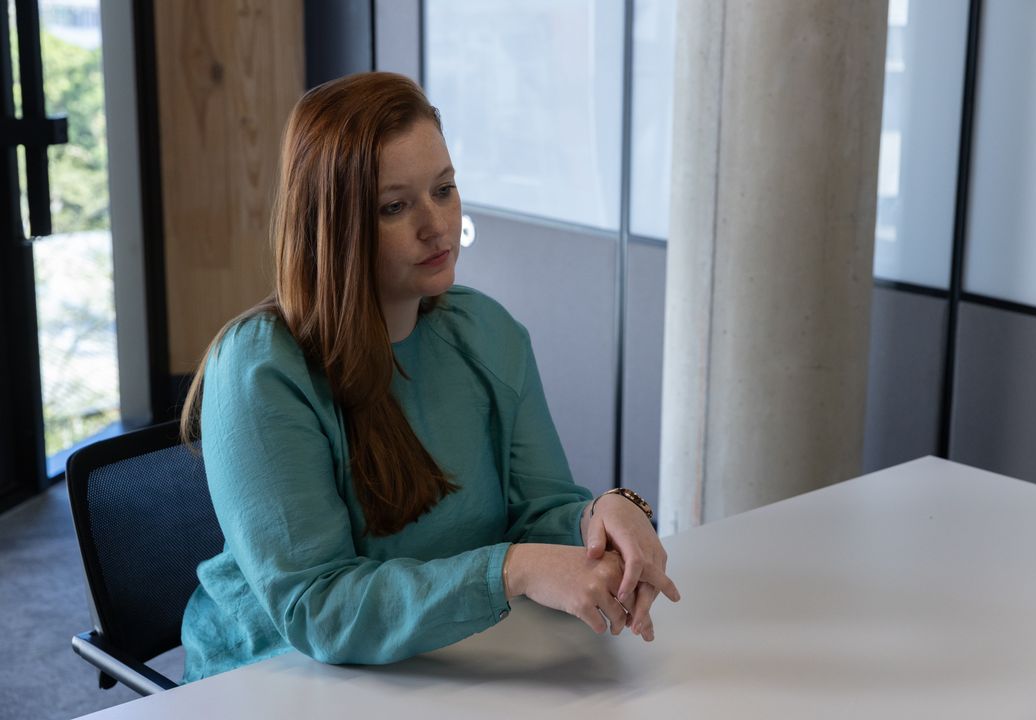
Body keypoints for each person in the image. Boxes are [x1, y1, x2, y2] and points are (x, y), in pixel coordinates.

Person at [178, 71, 679, 683]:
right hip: (276, 677)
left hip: (444, 659)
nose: (435, 224)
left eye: (444, 190)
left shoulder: (486, 331)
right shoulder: (260, 370)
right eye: (395, 206)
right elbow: (318, 609)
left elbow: (538, 507)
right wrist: (511, 570)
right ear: (334, 225)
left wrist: (603, 516)